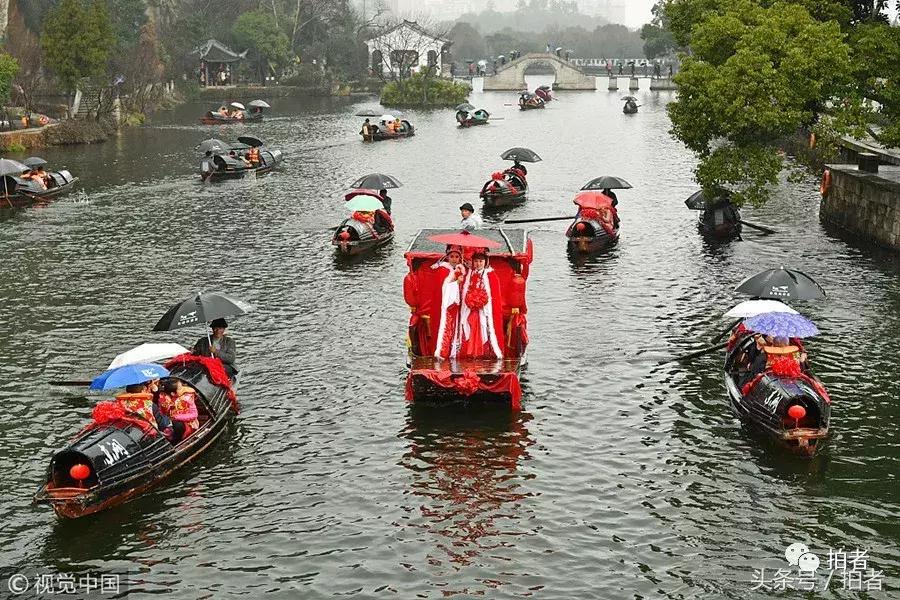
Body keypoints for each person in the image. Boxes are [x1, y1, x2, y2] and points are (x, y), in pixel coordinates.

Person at [454, 251, 504, 360]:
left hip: (483, 309)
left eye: (480, 261)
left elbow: (494, 295)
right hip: (469, 308)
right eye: (476, 261)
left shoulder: (491, 275)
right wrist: (470, 300)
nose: (478, 264)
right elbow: (464, 290)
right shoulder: (469, 274)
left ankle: (483, 352)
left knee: (483, 328)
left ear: (485, 262)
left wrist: (481, 301)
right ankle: (468, 351)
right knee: (468, 325)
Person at [431, 246, 466, 358]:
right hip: (447, 306)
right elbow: (443, 289)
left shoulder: (461, 270)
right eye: (452, 257)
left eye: (457, 257)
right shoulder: (443, 270)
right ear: (447, 257)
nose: (454, 259)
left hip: (459, 306)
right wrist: (456, 283)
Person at [158, 379, 200, 443]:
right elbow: (161, 413)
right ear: (173, 393)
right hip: (169, 424)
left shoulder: (187, 398)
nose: (183, 389)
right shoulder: (163, 400)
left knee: (177, 424)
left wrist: (177, 417)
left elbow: (194, 414)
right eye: (180, 388)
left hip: (187, 423)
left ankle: (177, 440)